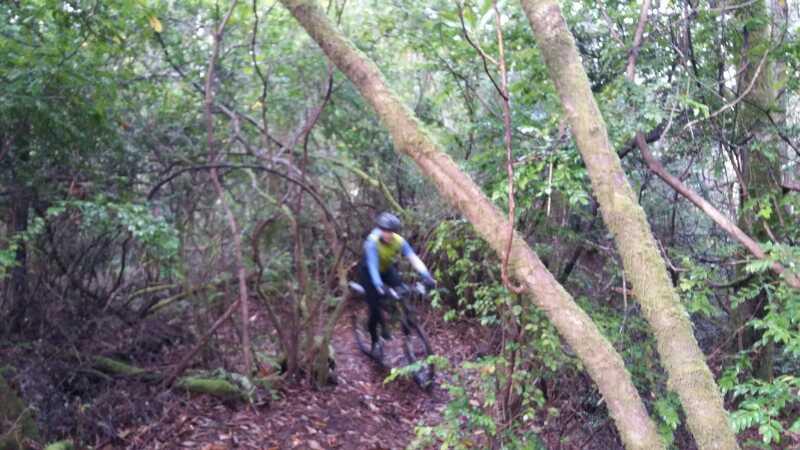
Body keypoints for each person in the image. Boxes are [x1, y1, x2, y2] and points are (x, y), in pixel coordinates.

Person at [359, 212, 435, 356]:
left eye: (391, 231)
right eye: (384, 230)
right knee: (374, 309)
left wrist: (426, 275)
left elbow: (413, 257)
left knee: (402, 292)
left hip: (387, 269)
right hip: (369, 273)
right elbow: (373, 265)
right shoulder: (372, 242)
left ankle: (401, 325)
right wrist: (379, 285)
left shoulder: (398, 241)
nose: (388, 234)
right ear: (379, 229)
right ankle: (375, 341)